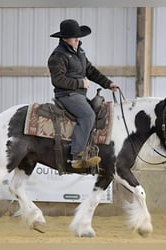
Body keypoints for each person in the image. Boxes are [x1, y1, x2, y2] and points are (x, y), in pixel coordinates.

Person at [48, 19, 119, 169]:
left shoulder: (80, 52)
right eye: (75, 37)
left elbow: (91, 71)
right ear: (65, 38)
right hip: (66, 95)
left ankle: (90, 149)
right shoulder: (58, 56)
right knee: (88, 115)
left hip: (78, 95)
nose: (78, 40)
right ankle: (77, 155)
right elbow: (58, 80)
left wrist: (108, 83)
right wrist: (81, 83)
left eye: (78, 37)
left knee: (98, 111)